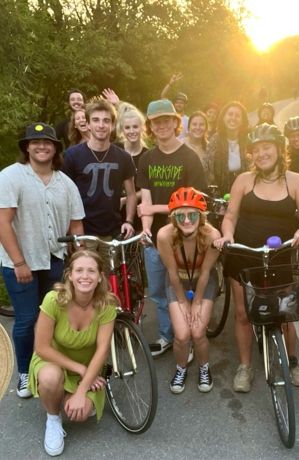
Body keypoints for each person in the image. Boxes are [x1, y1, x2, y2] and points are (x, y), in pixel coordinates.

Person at [214, 123, 299, 392]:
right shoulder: (244, 181)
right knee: (242, 314)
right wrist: (227, 236)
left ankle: (292, 361)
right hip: (244, 256)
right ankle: (245, 366)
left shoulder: (296, 181)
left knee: (284, 313)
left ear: (279, 150)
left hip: (280, 256)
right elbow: (230, 216)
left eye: (267, 148)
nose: (261, 154)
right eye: (256, 150)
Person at [0, 122, 85, 399]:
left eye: (47, 142)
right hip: (20, 262)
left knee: (53, 318)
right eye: (35, 142)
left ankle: (51, 365)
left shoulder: (65, 183)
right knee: (26, 319)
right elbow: (3, 221)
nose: (41, 146)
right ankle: (25, 373)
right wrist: (19, 262)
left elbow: (75, 226)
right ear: (26, 147)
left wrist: (80, 257)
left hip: (54, 261)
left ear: (55, 148)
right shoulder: (12, 177)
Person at [28, 250, 117, 456]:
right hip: (54, 360)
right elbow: (41, 347)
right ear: (69, 275)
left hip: (89, 366)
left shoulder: (107, 304)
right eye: (79, 270)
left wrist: (81, 390)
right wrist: (82, 370)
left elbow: (103, 350)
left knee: (81, 412)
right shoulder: (54, 300)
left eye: (91, 271)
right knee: (50, 379)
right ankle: (53, 419)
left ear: (100, 277)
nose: (85, 276)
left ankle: (69, 394)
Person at [137, 99, 207, 356]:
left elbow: (193, 205)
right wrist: (145, 228)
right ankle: (169, 335)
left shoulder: (190, 157)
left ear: (176, 123)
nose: (162, 125)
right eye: (157, 121)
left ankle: (186, 338)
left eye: (167, 120)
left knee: (183, 292)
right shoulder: (146, 159)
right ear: (151, 126)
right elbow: (145, 198)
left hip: (185, 236)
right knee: (158, 292)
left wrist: (154, 209)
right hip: (153, 240)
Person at [157, 188, 220, 393]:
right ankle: (181, 368)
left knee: (198, 331)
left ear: (201, 217)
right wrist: (184, 303)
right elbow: (172, 273)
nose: (186, 220)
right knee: (182, 335)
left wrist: (197, 302)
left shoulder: (212, 235)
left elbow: (205, 273)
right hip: (177, 281)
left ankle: (204, 367)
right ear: (173, 218)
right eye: (180, 215)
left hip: (203, 281)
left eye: (192, 214)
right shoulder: (165, 235)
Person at [63, 99, 137, 271]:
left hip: (111, 231)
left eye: (106, 120)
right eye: (95, 120)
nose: (101, 125)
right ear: (87, 124)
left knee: (109, 280)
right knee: (84, 279)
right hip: (82, 230)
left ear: (112, 125)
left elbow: (131, 193)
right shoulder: (72, 155)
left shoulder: (123, 157)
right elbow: (64, 196)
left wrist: (129, 220)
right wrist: (70, 233)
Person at [117, 107, 149, 231]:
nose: (132, 131)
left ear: (142, 127)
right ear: (122, 130)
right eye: (127, 127)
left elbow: (148, 189)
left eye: (135, 127)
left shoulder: (147, 156)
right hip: (115, 213)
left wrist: (125, 200)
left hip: (139, 214)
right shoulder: (115, 150)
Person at [207, 101, 249, 194]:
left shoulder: (248, 141)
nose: (233, 118)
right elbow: (209, 172)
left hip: (245, 193)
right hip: (219, 195)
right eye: (230, 114)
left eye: (237, 115)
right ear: (223, 117)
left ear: (242, 120)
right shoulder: (215, 140)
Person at [160, 73, 189, 140]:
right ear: (174, 104)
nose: (179, 104)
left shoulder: (188, 120)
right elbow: (162, 96)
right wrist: (170, 84)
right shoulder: (170, 116)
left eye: (181, 103)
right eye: (177, 103)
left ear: (185, 105)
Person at [184, 111, 211, 180]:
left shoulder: (210, 148)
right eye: (194, 124)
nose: (198, 127)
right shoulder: (180, 145)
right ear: (189, 127)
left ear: (206, 128)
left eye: (201, 124)